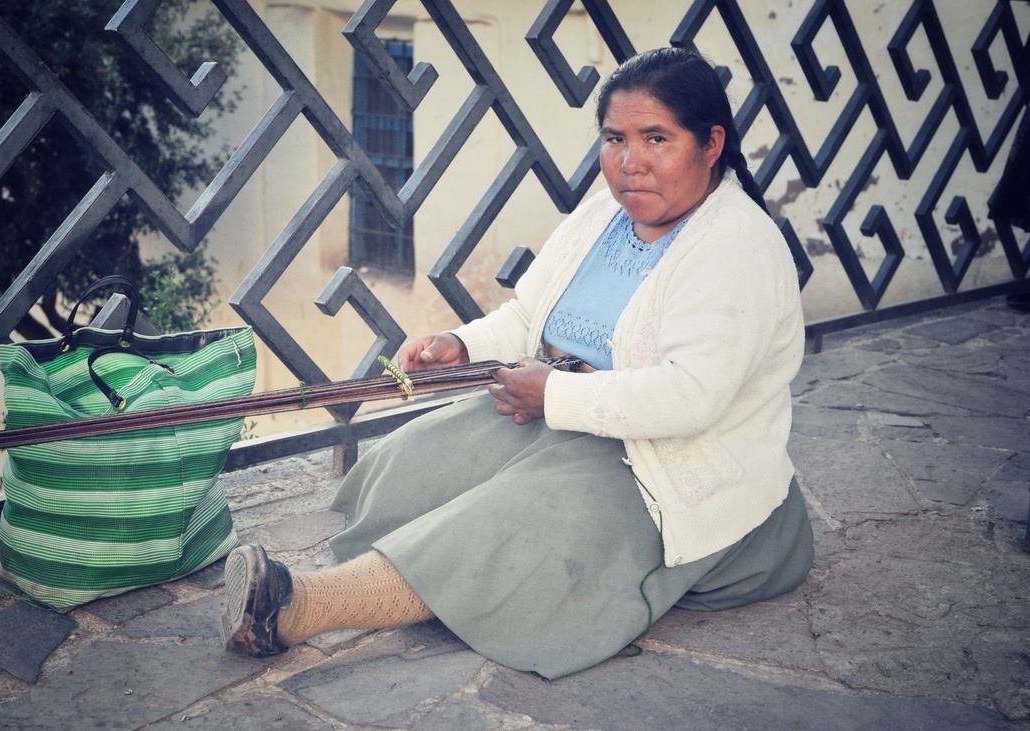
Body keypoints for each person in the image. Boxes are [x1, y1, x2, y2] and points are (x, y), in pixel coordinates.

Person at [220, 47, 814, 679]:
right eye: (615, 139)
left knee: (520, 519)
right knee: (419, 460)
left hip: (678, 467)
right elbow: (532, 315)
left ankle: (298, 608)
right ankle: (417, 576)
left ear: (711, 143)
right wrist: (462, 346)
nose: (630, 163)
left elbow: (692, 396)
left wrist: (552, 396)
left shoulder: (737, 245)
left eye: (656, 139)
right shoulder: (602, 215)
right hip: (580, 419)